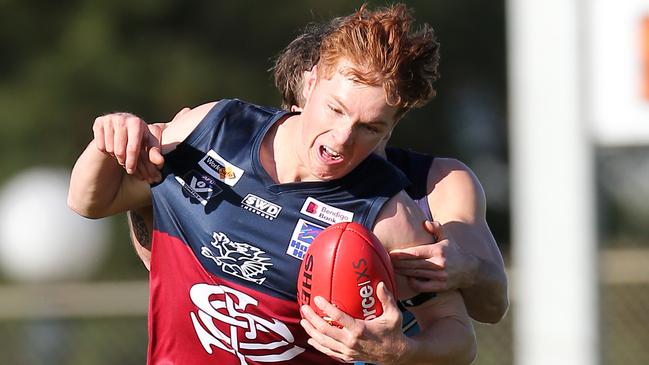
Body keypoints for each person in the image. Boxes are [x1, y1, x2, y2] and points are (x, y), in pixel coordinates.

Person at [68, 4, 476, 365]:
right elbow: (90, 202)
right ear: (311, 82)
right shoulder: (212, 130)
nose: (340, 139)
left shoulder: (386, 215)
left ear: (392, 127)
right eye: (335, 109)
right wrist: (106, 141)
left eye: (369, 128)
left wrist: (401, 352)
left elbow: (458, 337)